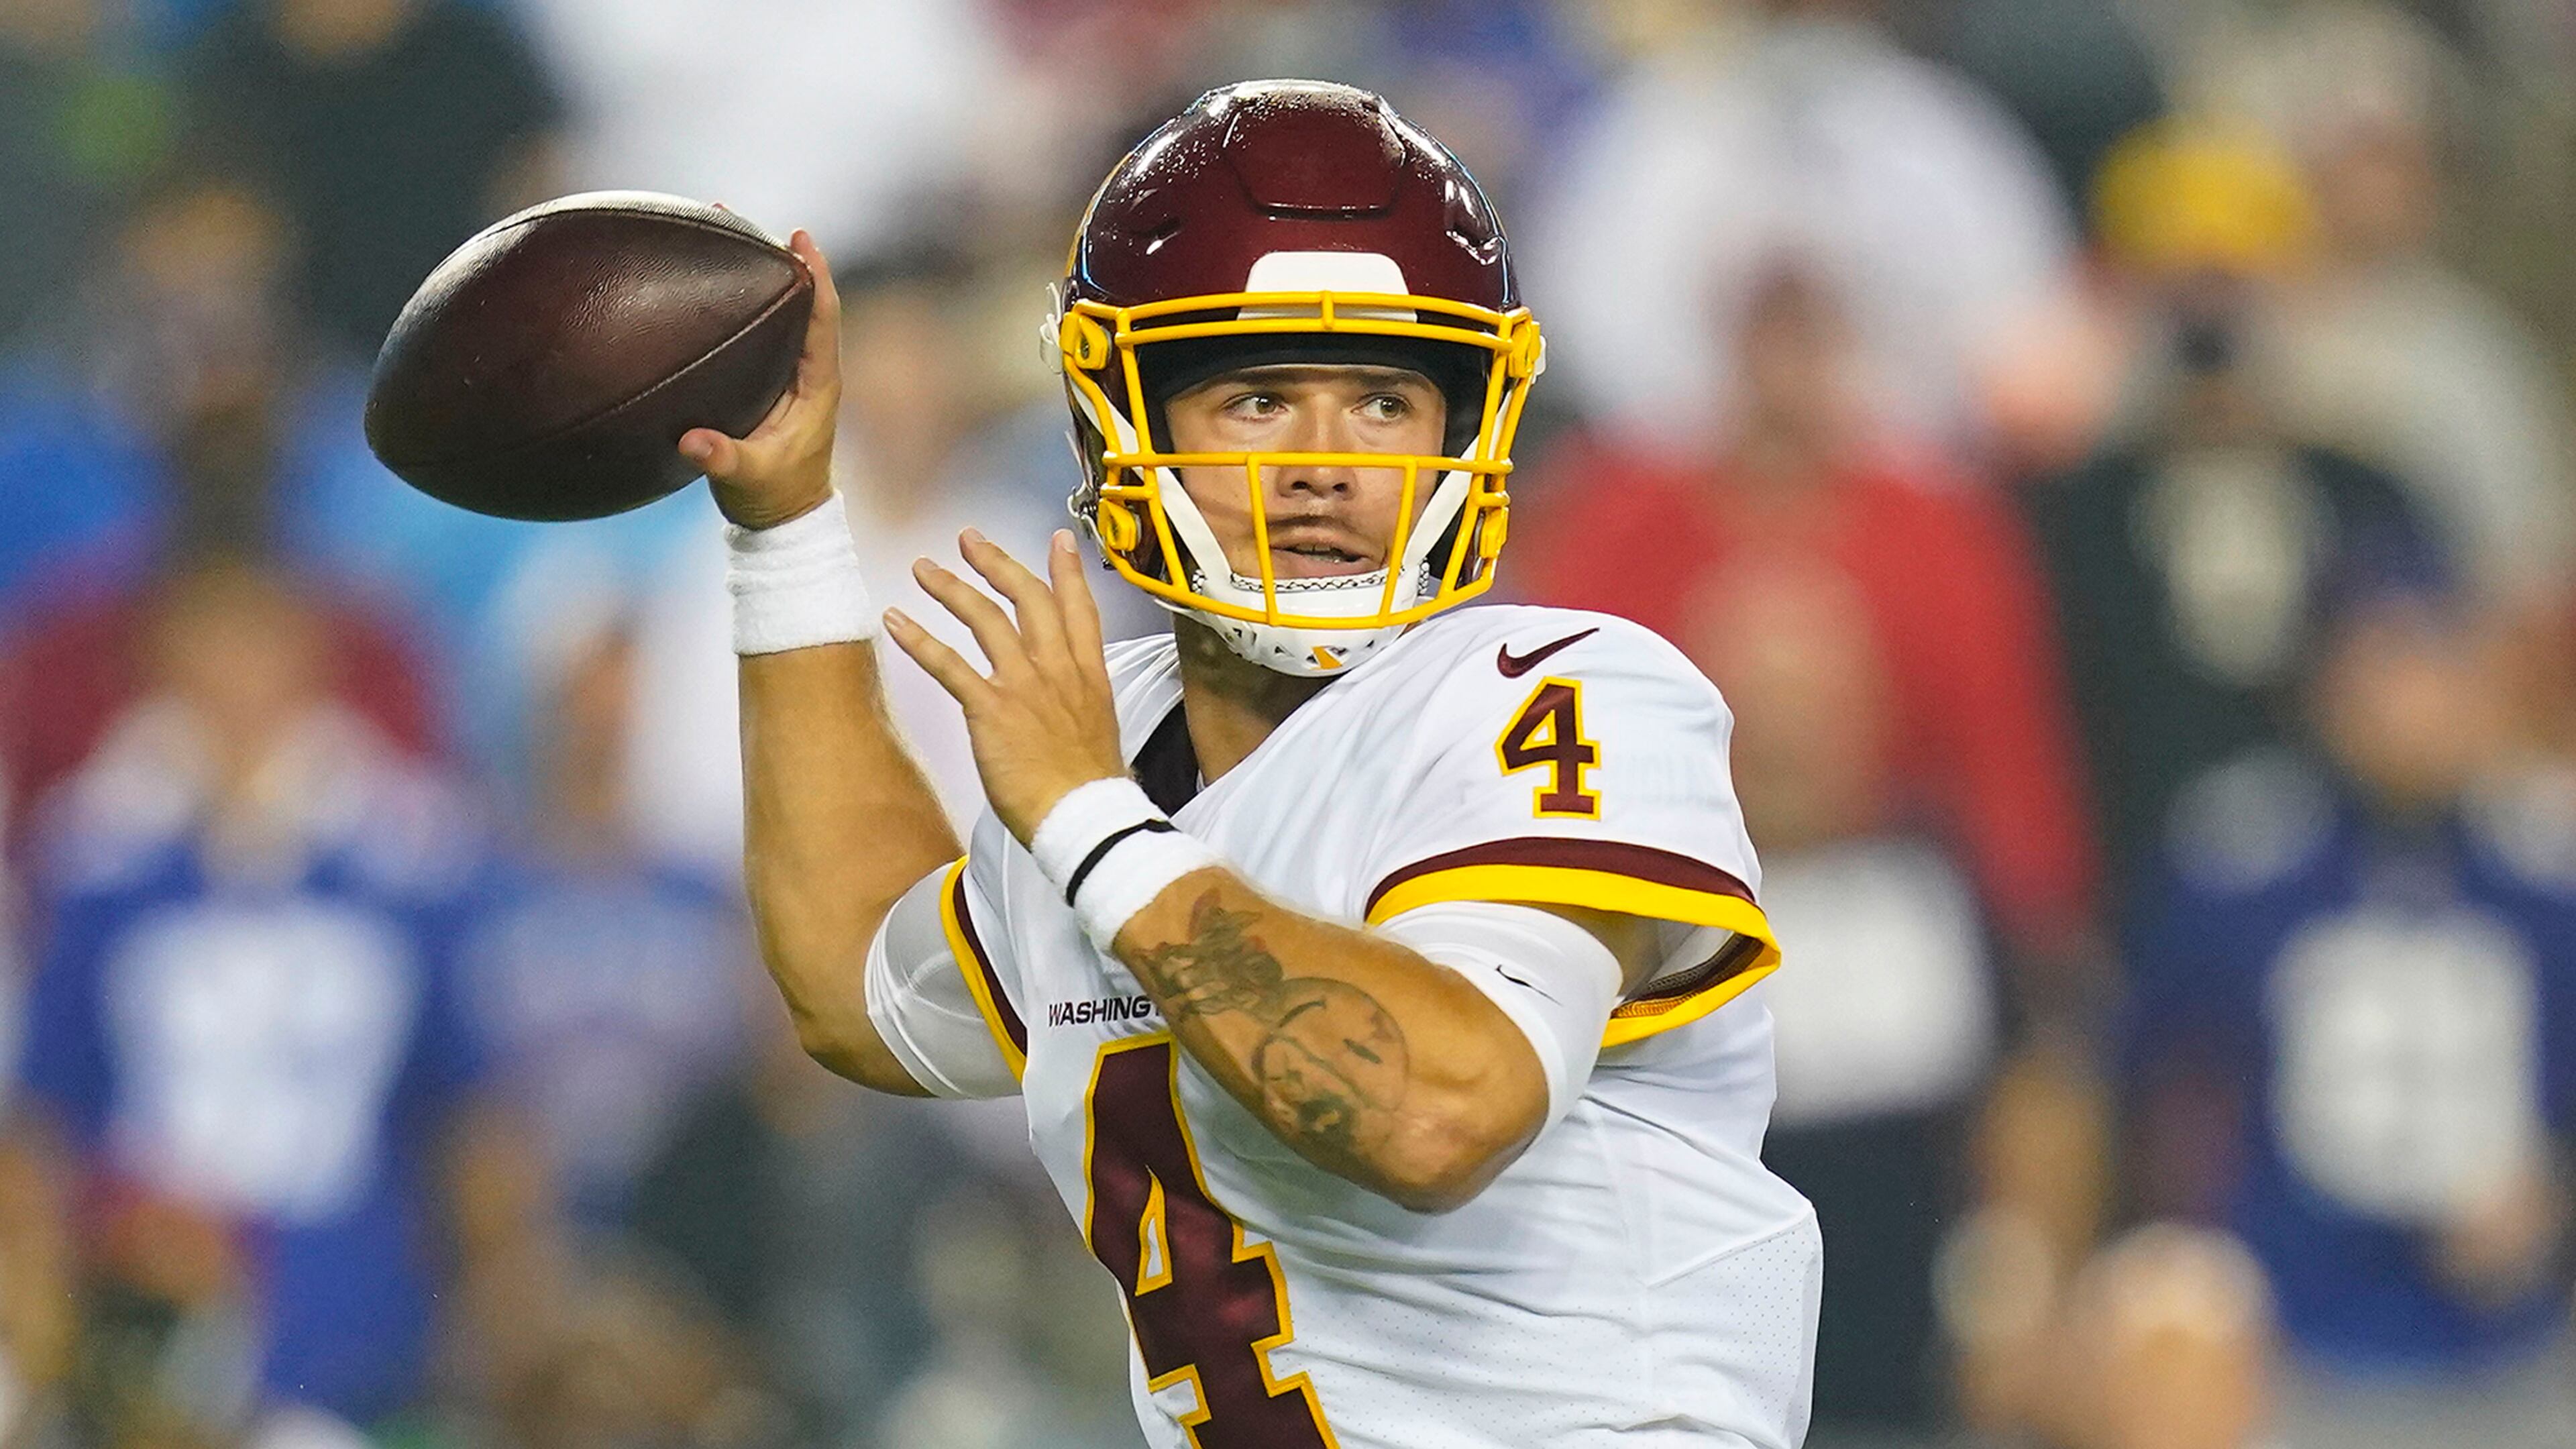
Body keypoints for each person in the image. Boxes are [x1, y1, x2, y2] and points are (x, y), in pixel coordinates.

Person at [684, 81, 1819, 1447]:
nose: (1329, 466)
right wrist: (785, 525)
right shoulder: (1112, 745)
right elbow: (860, 990)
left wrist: (1092, 827)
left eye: (1387, 403)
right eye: (1263, 398)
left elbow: (1438, 1113)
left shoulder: (1556, 691)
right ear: (1124, 421)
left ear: (1465, 432)